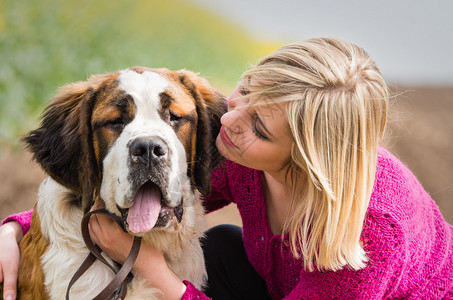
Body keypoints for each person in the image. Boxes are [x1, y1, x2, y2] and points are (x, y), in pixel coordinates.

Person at [1, 37, 452, 299]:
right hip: (285, 288)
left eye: (258, 125)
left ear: (305, 158)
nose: (229, 120)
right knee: (219, 245)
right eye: (246, 91)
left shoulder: (373, 232)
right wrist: (17, 229)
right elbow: (110, 180)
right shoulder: (240, 153)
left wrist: (153, 267)